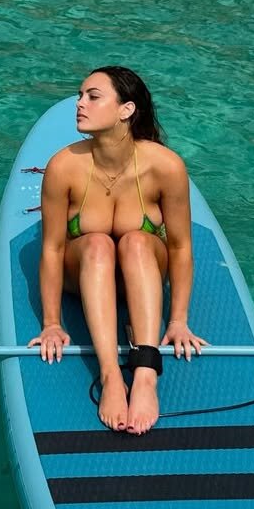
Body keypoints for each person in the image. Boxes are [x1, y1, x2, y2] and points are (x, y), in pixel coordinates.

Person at [29, 66, 207, 434]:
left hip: (141, 271)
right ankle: (111, 376)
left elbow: (180, 246)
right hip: (83, 274)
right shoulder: (64, 167)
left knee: (137, 240)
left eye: (93, 97)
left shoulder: (165, 166)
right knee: (97, 243)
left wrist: (178, 320)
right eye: (80, 96)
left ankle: (145, 374)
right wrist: (51, 324)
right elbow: (52, 249)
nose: (80, 103)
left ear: (126, 110)